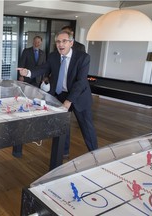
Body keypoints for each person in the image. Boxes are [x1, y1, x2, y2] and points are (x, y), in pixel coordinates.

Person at [18, 30, 97, 159]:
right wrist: (28, 72)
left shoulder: (83, 57)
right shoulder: (53, 56)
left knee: (87, 127)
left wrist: (69, 101)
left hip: (79, 96)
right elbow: (43, 68)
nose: (61, 44)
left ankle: (96, 155)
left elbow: (81, 82)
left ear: (71, 43)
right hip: (60, 94)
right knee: (62, 125)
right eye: (58, 42)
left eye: (64, 41)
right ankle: (63, 151)